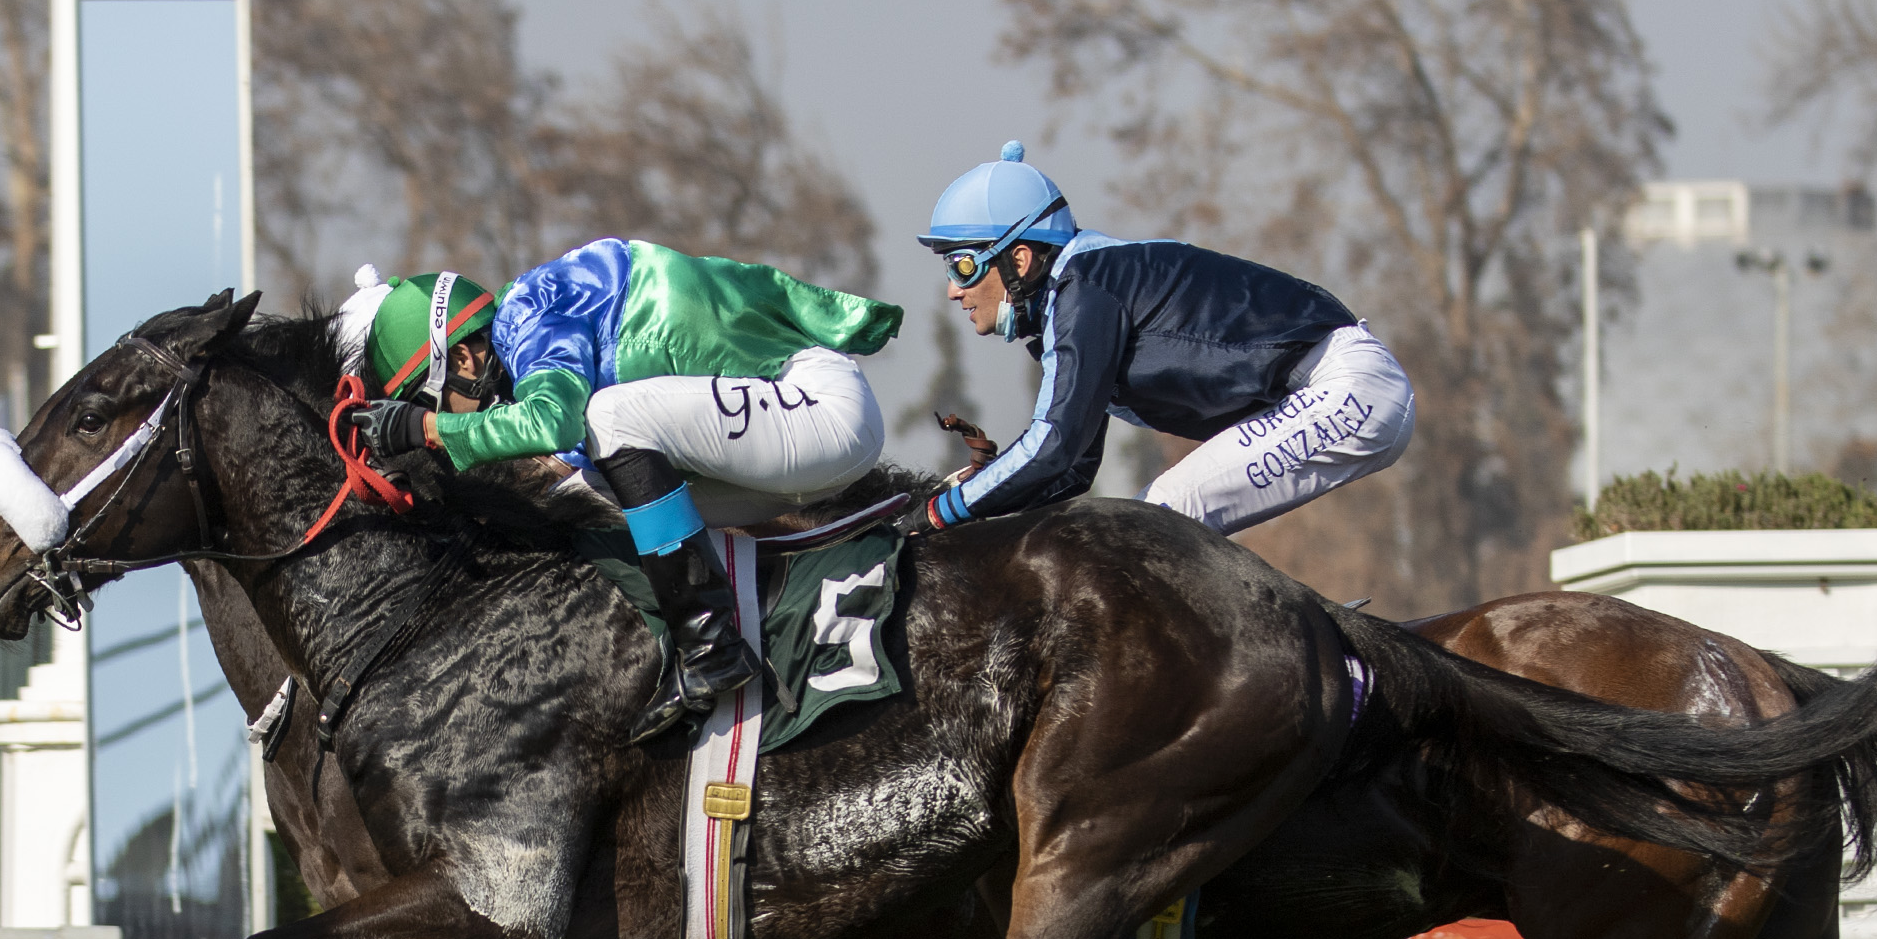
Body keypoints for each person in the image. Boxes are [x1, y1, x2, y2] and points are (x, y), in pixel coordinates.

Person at [336, 241, 902, 741]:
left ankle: (710, 644)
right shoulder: (525, 335)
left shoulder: (531, 313)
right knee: (582, 492)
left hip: (823, 409)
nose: (438, 417)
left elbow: (552, 420)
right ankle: (725, 628)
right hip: (788, 441)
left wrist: (428, 429)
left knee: (608, 417)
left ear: (461, 357)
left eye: (428, 400)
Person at [910, 143, 1415, 538]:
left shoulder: (1083, 289)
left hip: (1343, 387)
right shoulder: (1075, 300)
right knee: (1146, 531)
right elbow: (1072, 470)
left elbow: (1053, 445)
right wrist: (977, 500)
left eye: (962, 265)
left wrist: (937, 512)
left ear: (1019, 260)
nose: (953, 289)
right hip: (1331, 391)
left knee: (1146, 530)